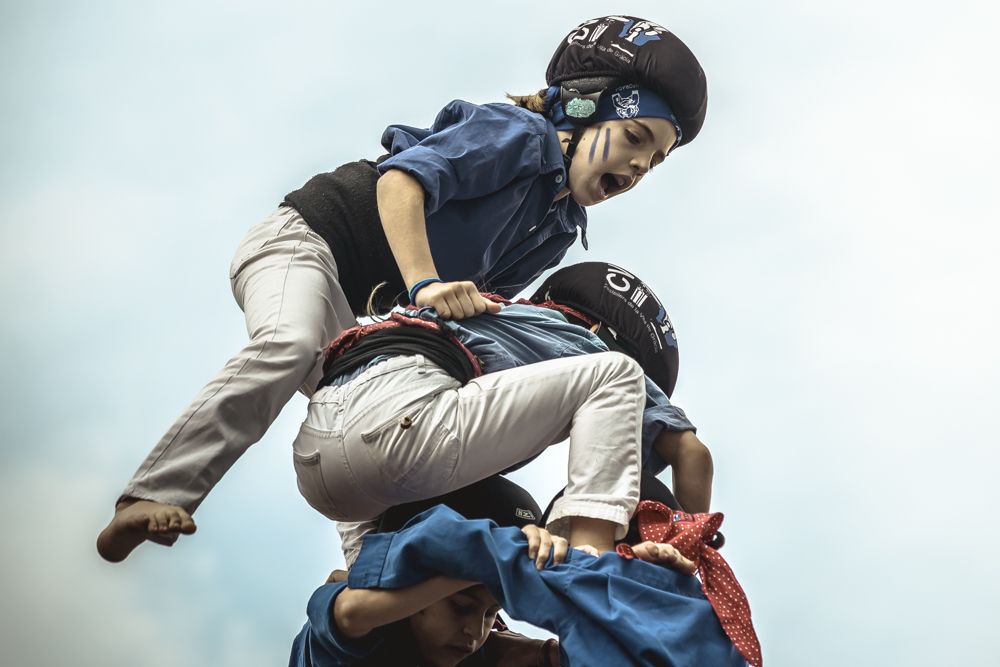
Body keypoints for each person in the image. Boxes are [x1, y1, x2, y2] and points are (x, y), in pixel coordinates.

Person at [97, 15, 710, 563]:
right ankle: (151, 493)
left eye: (654, 161)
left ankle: (367, 572)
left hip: (365, 310)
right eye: (634, 138)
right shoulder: (520, 136)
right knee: (287, 344)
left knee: (368, 404)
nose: (637, 167)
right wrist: (426, 283)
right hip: (311, 243)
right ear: (580, 109)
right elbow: (401, 183)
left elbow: (470, 317)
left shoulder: (556, 231)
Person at [295, 262, 714, 564]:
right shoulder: (587, 343)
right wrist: (691, 553)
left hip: (321, 461)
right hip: (402, 423)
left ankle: (364, 575)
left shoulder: (497, 316)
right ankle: (592, 556)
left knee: (479, 499)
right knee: (615, 374)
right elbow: (692, 453)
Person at [304, 505, 752, 667]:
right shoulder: (344, 637)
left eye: (488, 614)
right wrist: (501, 558)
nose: (474, 632)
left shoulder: (487, 653)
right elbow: (350, 611)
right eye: (461, 606)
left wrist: (633, 577)